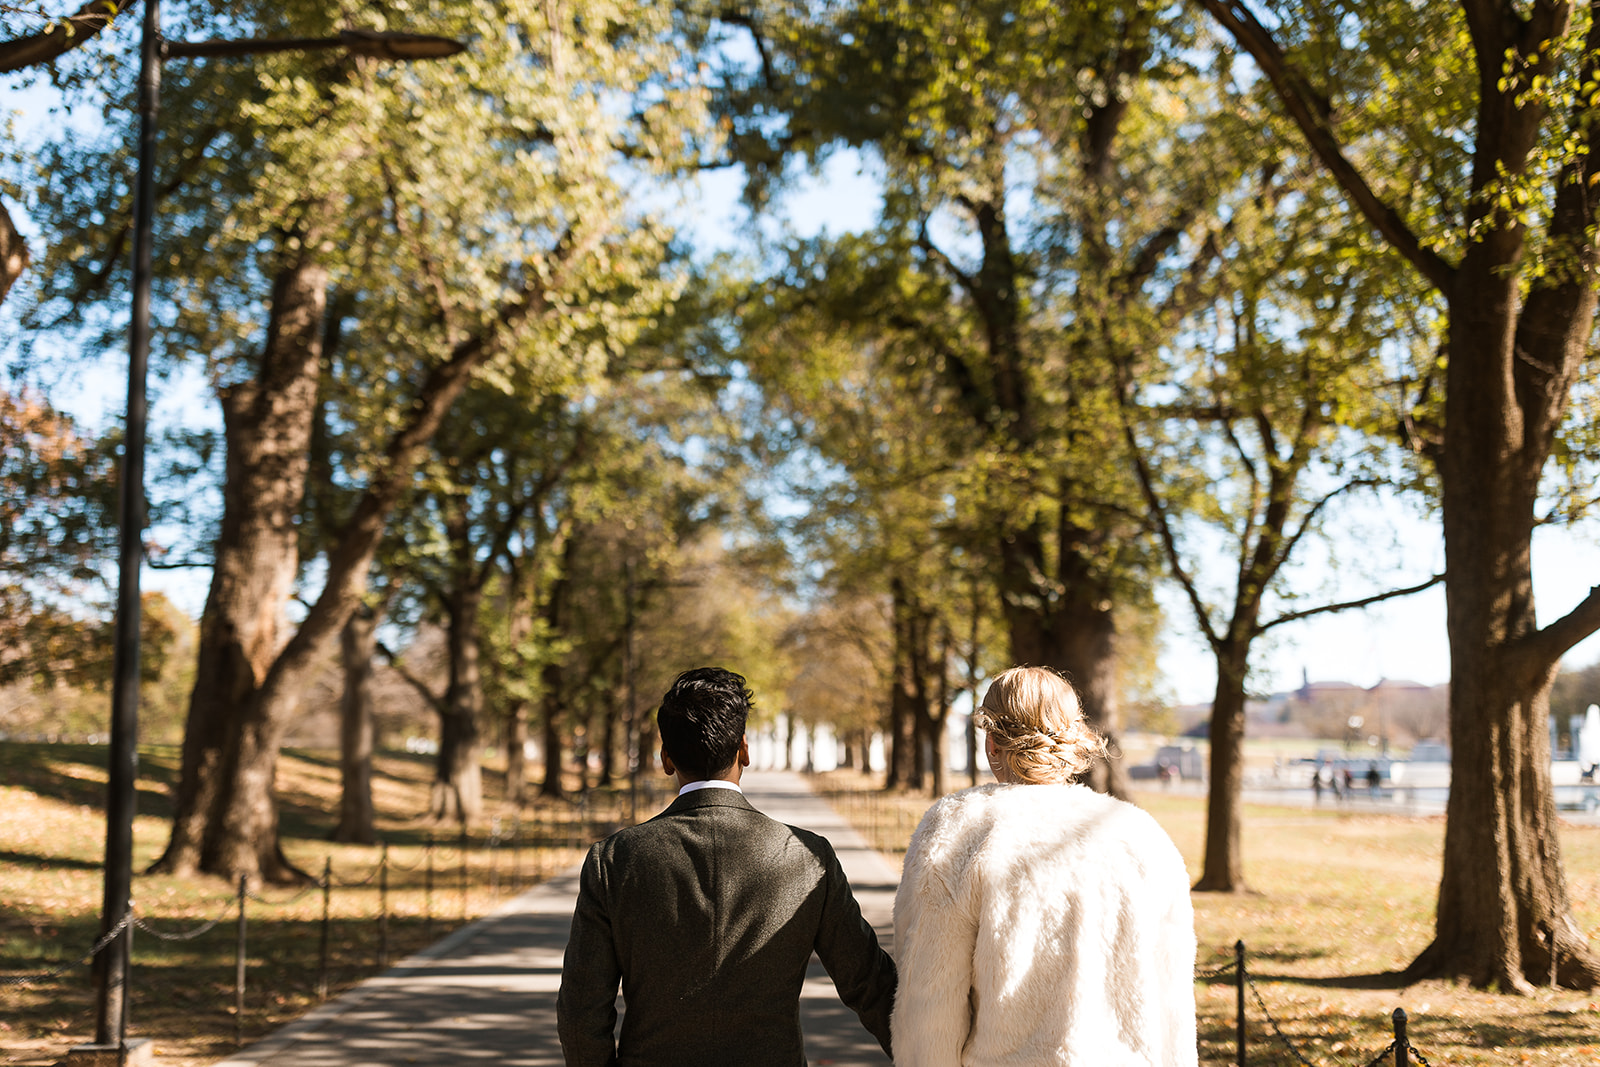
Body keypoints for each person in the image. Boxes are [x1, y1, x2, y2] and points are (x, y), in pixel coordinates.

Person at [556, 666, 897, 1066]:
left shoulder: (615, 860)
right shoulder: (808, 856)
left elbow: (581, 1014)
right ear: (744, 750)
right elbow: (871, 985)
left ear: (667, 758)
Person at [892, 666, 1197, 1067]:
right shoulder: (1141, 835)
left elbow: (930, 998)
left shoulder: (960, 828)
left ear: (992, 743)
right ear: (1073, 737)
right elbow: (1171, 1000)